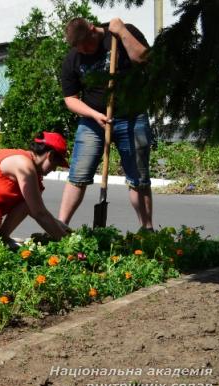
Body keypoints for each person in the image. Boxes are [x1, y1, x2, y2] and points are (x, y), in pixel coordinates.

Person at [58, 17, 154, 231]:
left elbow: (144, 59)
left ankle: (147, 230)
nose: (83, 52)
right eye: (79, 49)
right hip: (93, 122)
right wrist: (93, 114)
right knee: (78, 175)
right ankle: (60, 226)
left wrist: (122, 32)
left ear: (93, 30)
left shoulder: (120, 35)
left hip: (132, 117)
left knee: (138, 178)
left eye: (86, 46)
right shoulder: (73, 58)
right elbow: (70, 98)